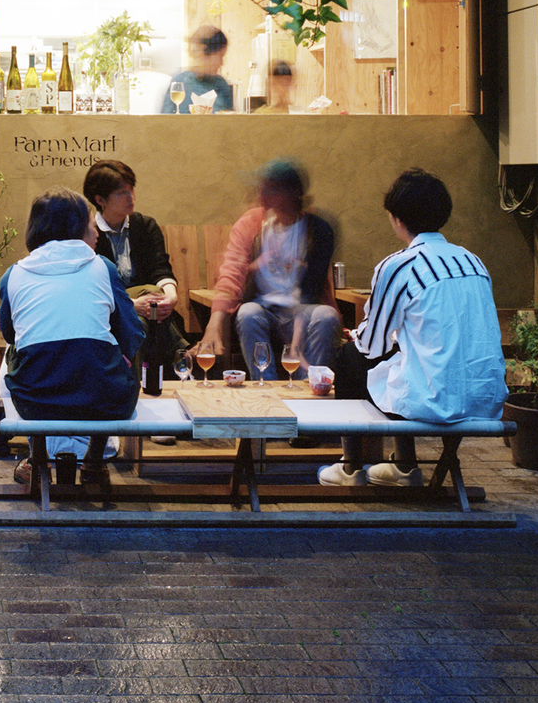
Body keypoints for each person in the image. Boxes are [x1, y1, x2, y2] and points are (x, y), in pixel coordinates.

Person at [318, 169, 509, 486]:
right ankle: (404, 467)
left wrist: (358, 337)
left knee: (350, 357)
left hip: (435, 400)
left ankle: (351, 468)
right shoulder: (473, 261)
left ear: (396, 218)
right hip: (484, 397)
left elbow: (371, 345)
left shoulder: (399, 265)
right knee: (404, 356)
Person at [0, 190, 146, 479]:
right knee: (114, 352)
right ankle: (92, 460)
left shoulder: (13, 274)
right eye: (92, 225)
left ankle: (37, 459)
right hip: (106, 402)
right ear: (76, 229)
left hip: (34, 403)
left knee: (17, 354)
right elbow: (131, 333)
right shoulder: (103, 268)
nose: (97, 234)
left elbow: (10, 334)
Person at [192, 159, 340, 379]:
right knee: (248, 313)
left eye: (272, 188)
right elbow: (233, 272)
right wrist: (214, 324)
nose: (262, 194)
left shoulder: (318, 229)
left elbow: (310, 290)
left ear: (293, 193)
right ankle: (265, 385)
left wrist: (295, 347)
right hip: (265, 309)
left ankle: (309, 388)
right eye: (262, 187)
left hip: (303, 311)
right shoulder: (252, 224)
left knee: (327, 316)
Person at [82, 160, 178, 325]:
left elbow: (160, 269)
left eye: (131, 190)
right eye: (121, 193)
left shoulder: (145, 226)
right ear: (100, 200)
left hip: (147, 306)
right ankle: (181, 347)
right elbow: (89, 287)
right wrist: (130, 305)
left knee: (152, 303)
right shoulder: (88, 233)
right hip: (106, 308)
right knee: (150, 296)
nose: (130, 197)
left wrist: (171, 297)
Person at [162, 26, 235, 113]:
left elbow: (231, 122)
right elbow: (165, 122)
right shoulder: (179, 84)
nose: (222, 63)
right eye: (220, 56)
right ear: (202, 53)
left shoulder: (221, 85)